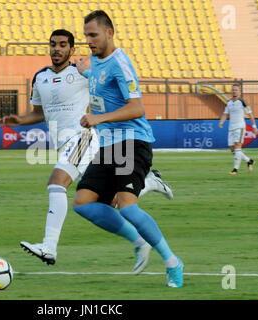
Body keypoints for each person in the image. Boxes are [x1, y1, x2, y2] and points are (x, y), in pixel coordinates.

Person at [0, 29, 173, 272]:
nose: (57, 49)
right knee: (107, 202)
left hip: (84, 138)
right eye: (53, 44)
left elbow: (107, 89)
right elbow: (40, 113)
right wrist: (18, 120)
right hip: (65, 145)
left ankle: (49, 246)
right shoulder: (40, 78)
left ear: (71, 49)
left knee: (56, 184)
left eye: (62, 45)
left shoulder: (81, 73)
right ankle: (147, 196)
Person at [72, 11, 183, 287]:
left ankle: (172, 262)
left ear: (110, 33)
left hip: (133, 141)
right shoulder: (96, 61)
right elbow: (93, 73)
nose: (89, 40)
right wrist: (81, 67)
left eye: (93, 35)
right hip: (109, 145)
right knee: (83, 203)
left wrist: (98, 118)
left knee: (128, 209)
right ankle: (138, 241)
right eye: (86, 35)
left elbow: (138, 107)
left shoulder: (120, 63)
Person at [218, 84, 258, 175]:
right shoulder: (229, 102)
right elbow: (225, 114)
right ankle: (249, 161)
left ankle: (235, 169)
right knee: (233, 149)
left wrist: (254, 126)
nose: (234, 91)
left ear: (239, 92)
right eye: (233, 90)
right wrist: (221, 122)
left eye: (236, 90)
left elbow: (250, 114)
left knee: (237, 146)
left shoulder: (242, 102)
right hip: (231, 128)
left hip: (240, 127)